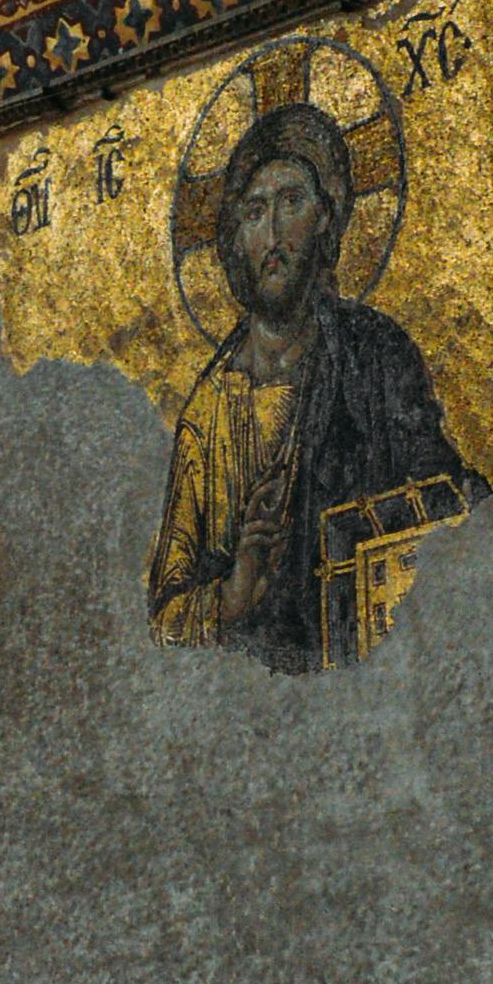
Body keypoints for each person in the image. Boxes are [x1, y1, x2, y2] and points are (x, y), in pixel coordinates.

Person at [149, 103, 466, 672]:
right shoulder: (209, 412)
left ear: (326, 217)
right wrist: (233, 594)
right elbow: (165, 616)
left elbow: (441, 497)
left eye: (291, 202)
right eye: (253, 212)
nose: (272, 233)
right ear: (234, 241)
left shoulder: (374, 353)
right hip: (256, 700)